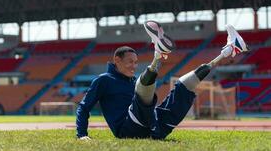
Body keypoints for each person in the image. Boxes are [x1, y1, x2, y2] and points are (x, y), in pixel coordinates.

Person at [76, 21, 249, 140]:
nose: (134, 66)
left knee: (181, 89)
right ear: (117, 60)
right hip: (127, 129)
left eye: (136, 63)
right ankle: (157, 55)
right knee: (141, 95)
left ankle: (226, 52)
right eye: (130, 62)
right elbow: (84, 107)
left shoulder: (133, 81)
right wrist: (82, 135)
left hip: (152, 129)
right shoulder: (103, 80)